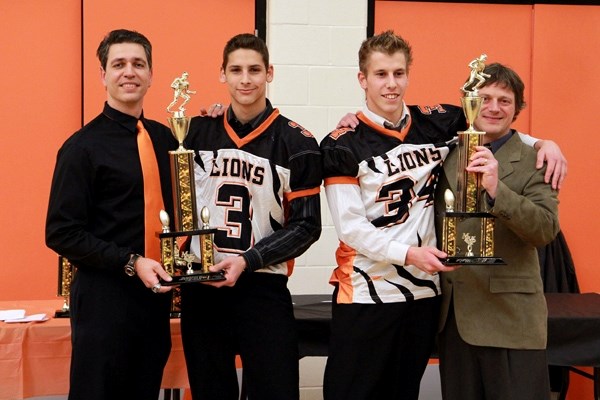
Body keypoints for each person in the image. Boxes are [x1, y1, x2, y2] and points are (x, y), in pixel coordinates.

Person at [323, 31, 566, 400]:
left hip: (423, 296)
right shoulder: (341, 142)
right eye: (381, 74)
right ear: (363, 79)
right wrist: (409, 254)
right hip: (368, 292)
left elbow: (491, 125)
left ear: (409, 74)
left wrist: (544, 142)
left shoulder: (435, 123)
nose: (391, 84)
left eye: (399, 73)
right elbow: (351, 228)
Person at [180, 33, 322, 400]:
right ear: (222, 75)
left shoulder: (299, 143)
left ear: (269, 73)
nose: (246, 79)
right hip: (203, 288)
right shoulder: (195, 132)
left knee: (275, 391)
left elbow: (307, 226)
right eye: (236, 70)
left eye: (254, 70)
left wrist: (248, 260)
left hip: (262, 287)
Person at [45, 29, 176, 399]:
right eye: (118, 64)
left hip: (154, 303)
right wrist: (131, 262)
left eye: (138, 64)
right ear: (103, 75)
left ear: (151, 74)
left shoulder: (165, 139)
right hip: (105, 303)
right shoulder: (81, 148)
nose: (129, 72)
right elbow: (61, 232)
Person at [435, 63, 559, 400]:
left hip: (511, 322)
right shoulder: (444, 152)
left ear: (517, 109)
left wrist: (497, 190)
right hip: (455, 322)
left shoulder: (537, 160)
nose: (492, 108)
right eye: (484, 98)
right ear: (469, 103)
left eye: (504, 100)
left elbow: (545, 229)